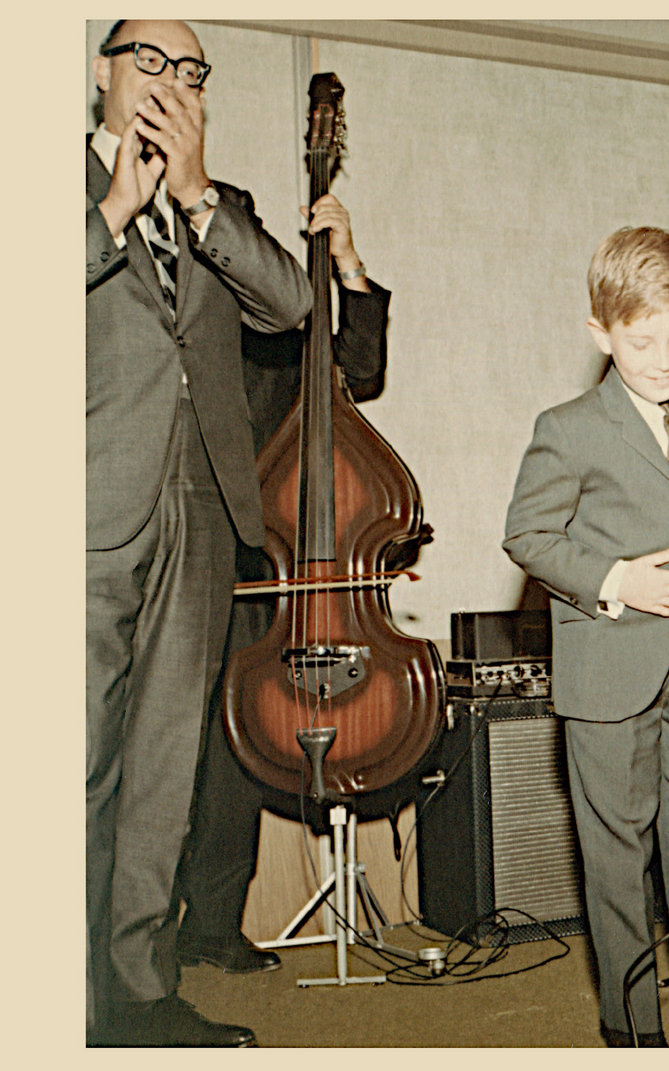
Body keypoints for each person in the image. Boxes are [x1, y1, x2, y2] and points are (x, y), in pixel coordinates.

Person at [86, 20, 311, 1046]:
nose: (169, 82)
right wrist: (111, 210)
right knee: (76, 760)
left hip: (202, 506)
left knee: (165, 763)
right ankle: (60, 997)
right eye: (148, 59)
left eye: (190, 70)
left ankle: (137, 995)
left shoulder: (215, 207)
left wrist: (196, 194)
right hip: (83, 502)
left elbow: (292, 304)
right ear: (101, 71)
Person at [503, 227, 669, 1048]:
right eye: (642, 342)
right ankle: (633, 1030)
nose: (663, 360)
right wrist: (619, 580)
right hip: (610, 668)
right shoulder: (569, 427)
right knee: (616, 857)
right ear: (601, 333)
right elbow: (528, 535)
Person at [174, 196, 390, 976]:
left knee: (235, 743)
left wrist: (348, 264)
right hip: (170, 539)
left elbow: (361, 369)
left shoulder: (276, 330)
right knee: (158, 747)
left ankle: (212, 924)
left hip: (260, 565)